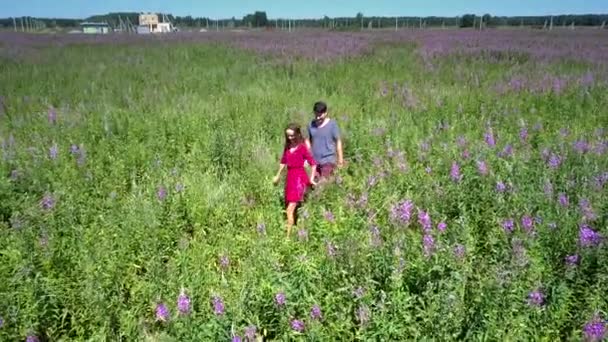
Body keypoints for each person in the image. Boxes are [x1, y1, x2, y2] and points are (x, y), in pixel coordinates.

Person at [273, 123, 317, 237]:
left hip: (299, 179)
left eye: (292, 135)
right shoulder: (287, 147)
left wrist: (311, 178)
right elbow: (283, 161)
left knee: (289, 209)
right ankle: (298, 230)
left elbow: (313, 163)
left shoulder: (302, 147)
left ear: (298, 134)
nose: (290, 138)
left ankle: (288, 237)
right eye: (288, 135)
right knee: (295, 207)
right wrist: (277, 175)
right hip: (290, 178)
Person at [305, 101, 344, 182]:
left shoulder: (332, 125)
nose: (318, 118)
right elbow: (307, 140)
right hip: (314, 162)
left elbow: (338, 141)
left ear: (325, 113)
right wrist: (308, 154)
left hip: (328, 160)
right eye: (316, 115)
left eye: (320, 115)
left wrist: (340, 160)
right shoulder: (310, 125)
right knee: (313, 183)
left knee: (324, 184)